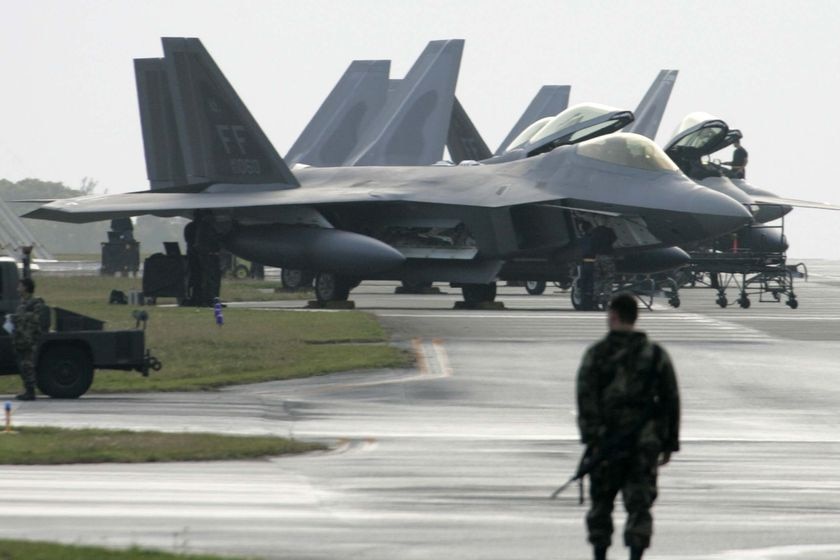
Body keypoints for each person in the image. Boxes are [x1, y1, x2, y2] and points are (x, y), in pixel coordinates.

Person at [576, 293, 680, 560]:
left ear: (613, 315)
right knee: (639, 505)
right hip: (644, 445)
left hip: (606, 444)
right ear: (636, 316)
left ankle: (600, 554)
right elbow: (670, 401)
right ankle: (636, 555)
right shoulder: (655, 355)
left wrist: (592, 438)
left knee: (601, 504)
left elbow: (585, 400)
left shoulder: (597, 354)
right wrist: (669, 443)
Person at [11, 278, 46, 401]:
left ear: (26, 288)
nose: (18, 289)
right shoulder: (22, 304)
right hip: (20, 339)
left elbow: (36, 321)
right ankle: (27, 389)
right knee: (23, 366)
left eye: (20, 286)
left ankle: (31, 392)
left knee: (28, 365)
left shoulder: (35, 304)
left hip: (28, 340)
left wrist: (19, 319)